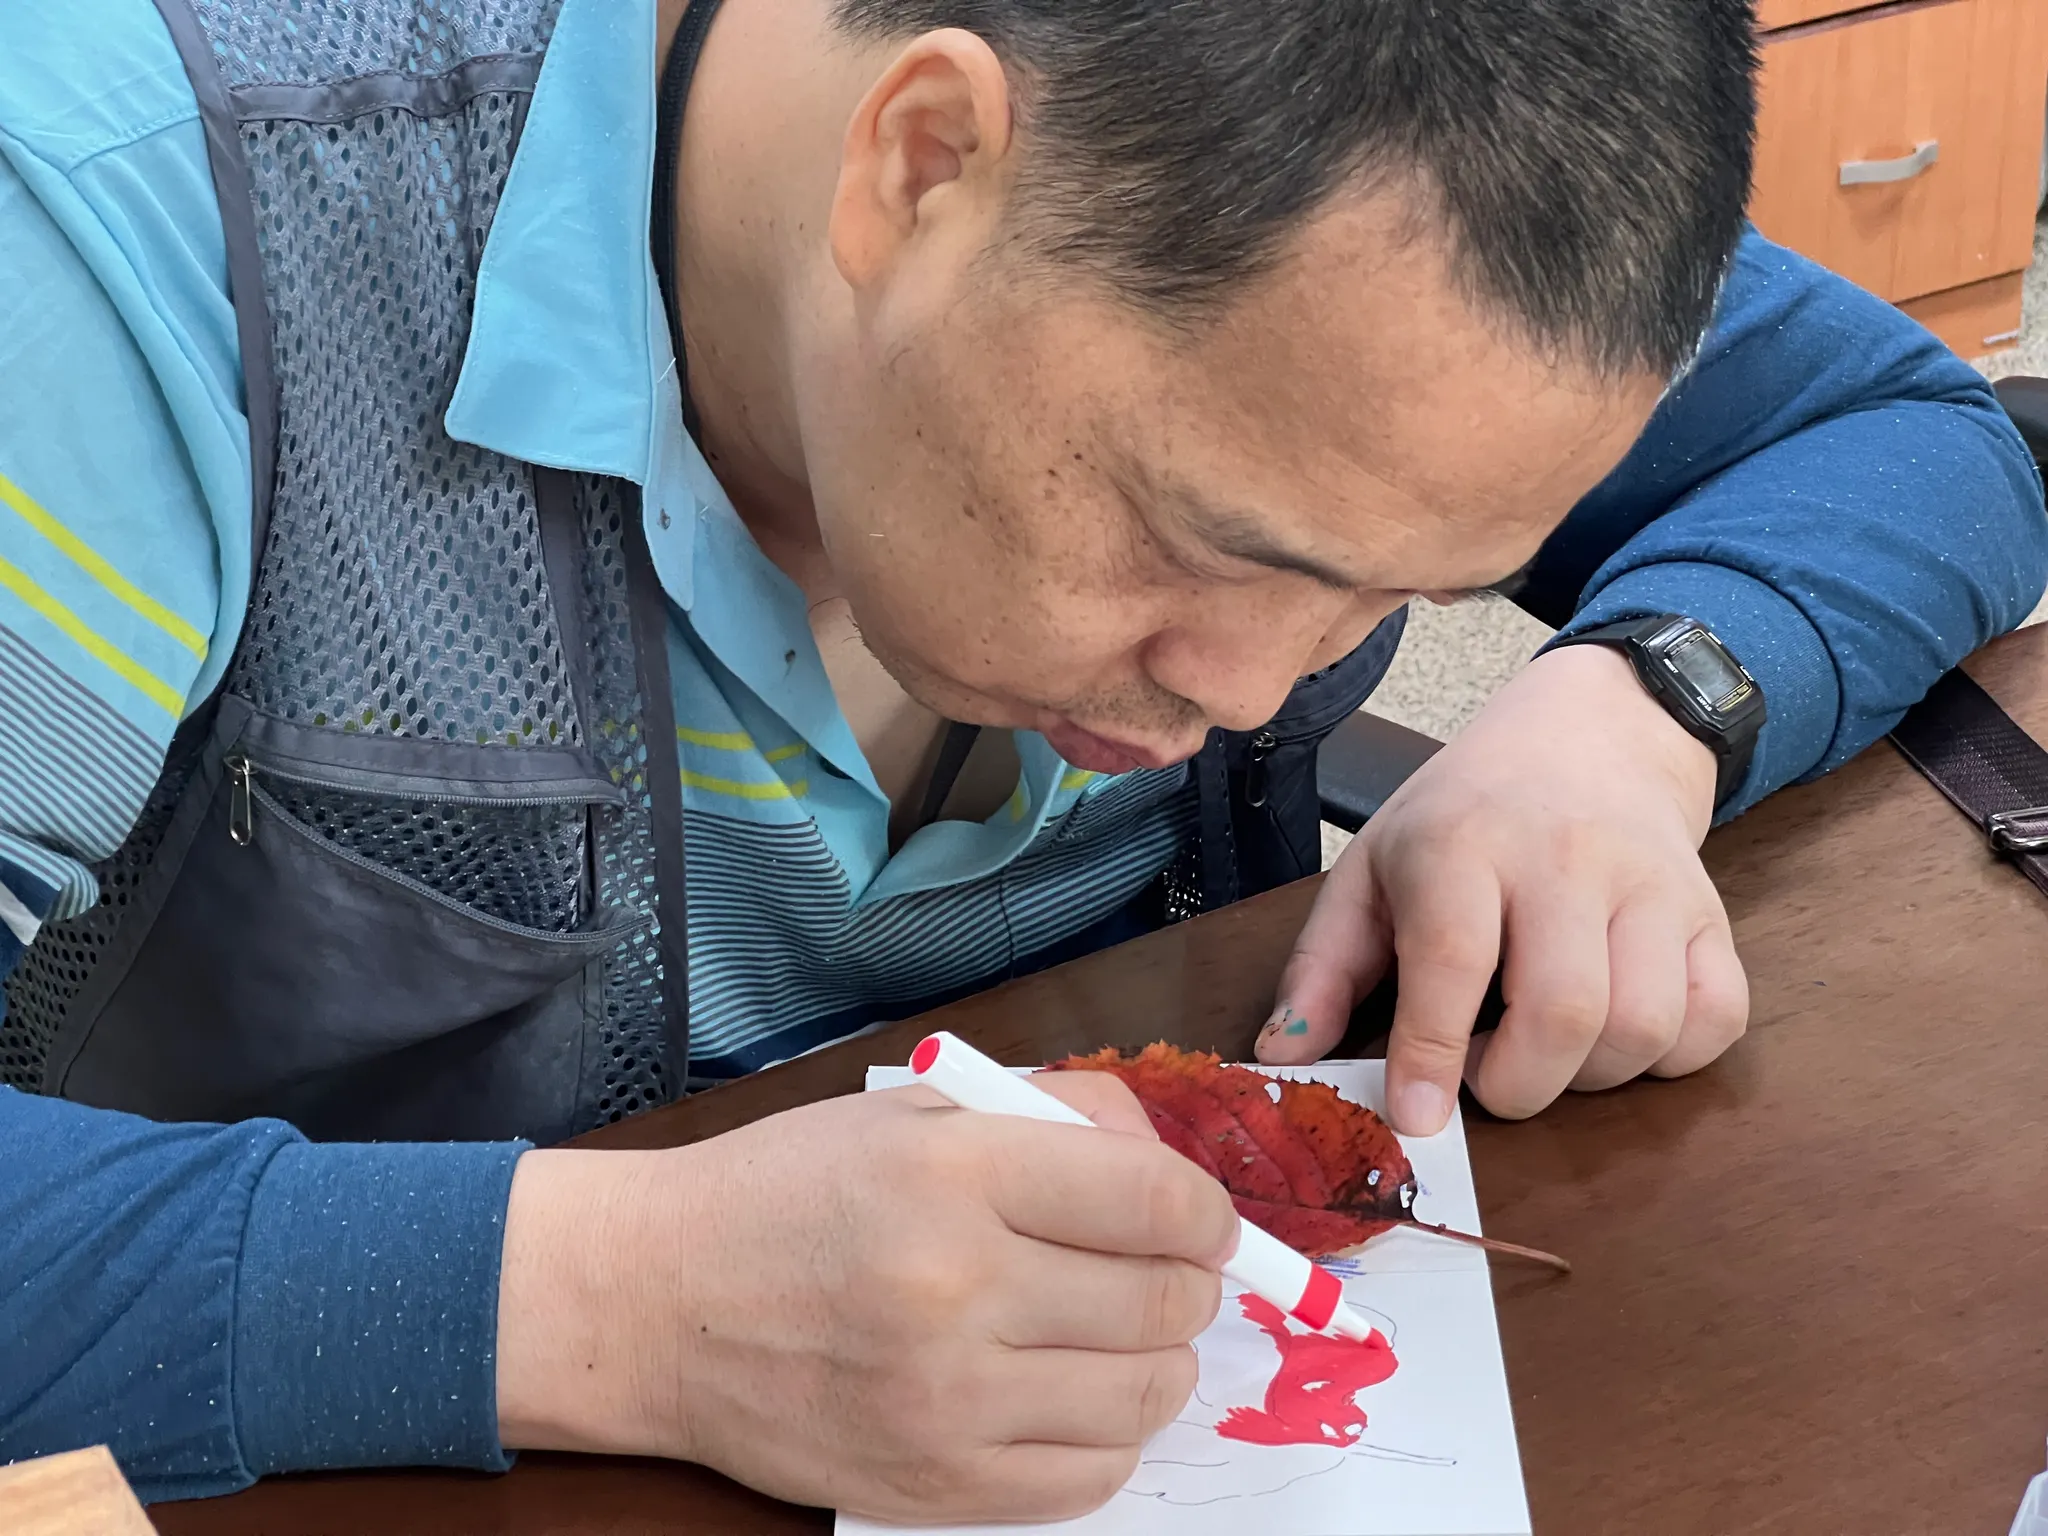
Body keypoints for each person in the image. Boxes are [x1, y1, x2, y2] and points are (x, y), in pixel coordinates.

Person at [1, 0, 2042, 1520]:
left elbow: (1914, 434)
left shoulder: (1409, 218)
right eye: (1214, 544)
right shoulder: (123, 230)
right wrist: (614, 1299)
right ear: (920, 163)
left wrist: (1630, 712)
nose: (1252, 692)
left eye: (1399, 596)